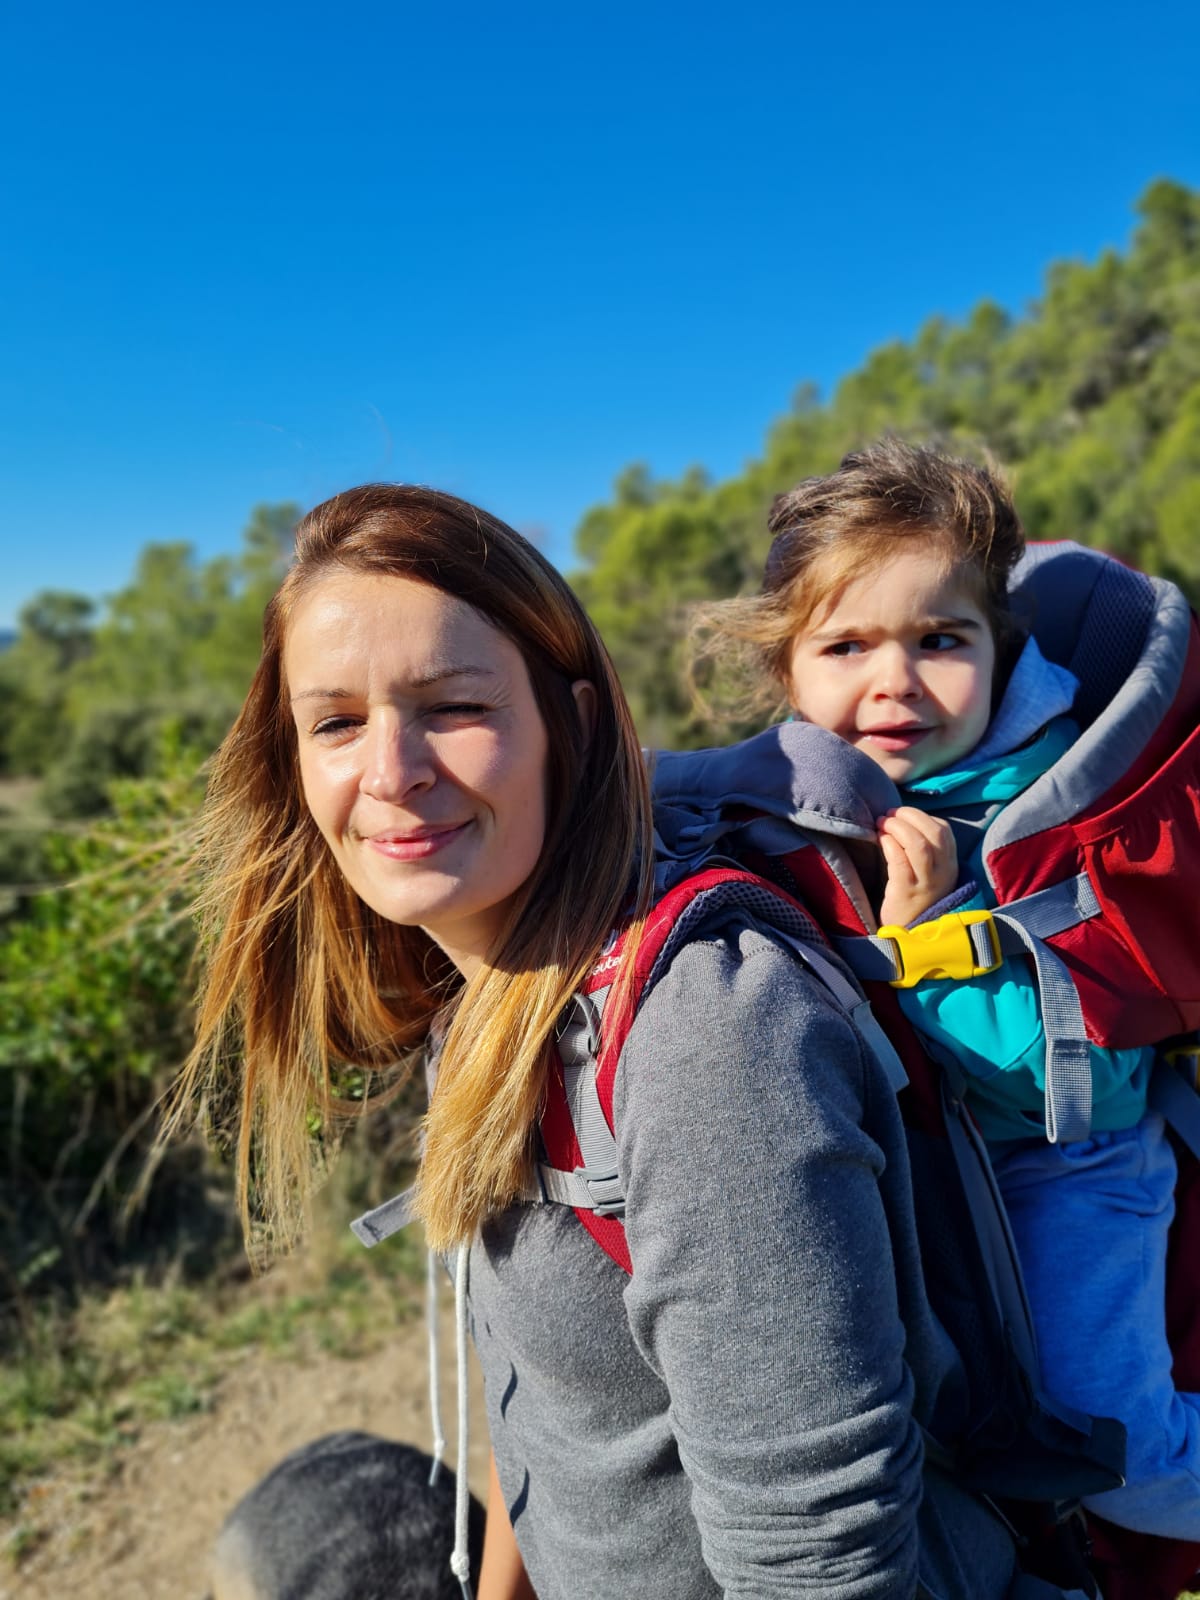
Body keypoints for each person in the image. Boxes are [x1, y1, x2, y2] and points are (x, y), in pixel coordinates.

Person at [173, 481, 1083, 1600]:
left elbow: (817, 1566)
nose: (392, 771)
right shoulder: (483, 991)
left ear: (576, 722)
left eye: (453, 705)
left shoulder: (703, 1029)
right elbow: (540, 1411)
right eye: (337, 721)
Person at [696, 437, 1200, 1540]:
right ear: (787, 671)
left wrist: (924, 936)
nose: (895, 681)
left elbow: (1081, 1084)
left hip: (1066, 1168)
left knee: (1119, 1445)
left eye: (940, 640)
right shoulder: (798, 783)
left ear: (998, 645)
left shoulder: (1045, 798)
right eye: (846, 644)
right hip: (922, 1165)